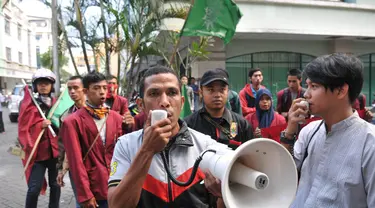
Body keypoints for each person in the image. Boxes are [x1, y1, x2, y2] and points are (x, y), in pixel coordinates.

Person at [107, 66, 229, 208]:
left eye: (172, 92)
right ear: (141, 105)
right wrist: (147, 150)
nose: (164, 101)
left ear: (182, 102)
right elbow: (116, 205)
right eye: (154, 93)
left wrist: (223, 194)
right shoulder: (126, 145)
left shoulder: (205, 146)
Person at [280, 53, 375, 207]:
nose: (306, 94)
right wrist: (290, 131)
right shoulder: (309, 131)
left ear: (340, 91)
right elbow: (283, 172)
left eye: (314, 86)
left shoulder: (369, 143)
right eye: (308, 85)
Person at [61, 72, 123, 208]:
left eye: (104, 88)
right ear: (85, 91)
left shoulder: (115, 117)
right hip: (93, 185)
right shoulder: (72, 121)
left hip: (116, 184)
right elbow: (75, 161)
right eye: (96, 88)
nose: (102, 92)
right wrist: (85, 194)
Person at [18, 68, 60, 208]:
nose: (43, 86)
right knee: (34, 188)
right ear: (35, 86)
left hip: (55, 152)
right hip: (37, 153)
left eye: (47, 83)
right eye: (40, 83)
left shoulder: (57, 104)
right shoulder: (29, 104)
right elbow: (24, 128)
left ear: (51, 85)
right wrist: (39, 125)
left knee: (56, 185)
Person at [185, 68, 253, 150]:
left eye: (222, 89)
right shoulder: (189, 125)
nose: (217, 95)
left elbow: (250, 156)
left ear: (227, 91)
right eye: (210, 90)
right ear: (201, 92)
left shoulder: (242, 124)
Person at [56, 75, 85, 208]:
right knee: (80, 200)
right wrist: (61, 169)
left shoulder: (99, 111)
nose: (72, 91)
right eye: (69, 89)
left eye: (75, 88)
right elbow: (62, 146)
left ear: (84, 89)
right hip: (75, 166)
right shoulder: (66, 117)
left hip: (97, 166)